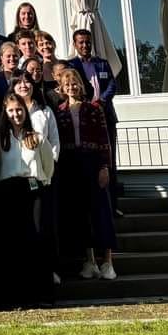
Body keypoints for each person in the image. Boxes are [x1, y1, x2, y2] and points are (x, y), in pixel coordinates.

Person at [54, 68, 117, 281]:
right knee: (81, 214)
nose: (71, 87)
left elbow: (103, 139)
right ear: (61, 88)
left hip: (93, 162)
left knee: (101, 211)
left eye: (74, 83)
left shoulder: (93, 108)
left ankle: (107, 261)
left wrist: (104, 167)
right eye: (67, 84)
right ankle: (89, 261)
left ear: (80, 85)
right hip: (71, 164)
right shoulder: (60, 111)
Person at [0, 93, 55, 308]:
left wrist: (42, 184)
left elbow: (48, 165)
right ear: (5, 112)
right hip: (8, 191)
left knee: (37, 239)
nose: (16, 114)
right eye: (11, 110)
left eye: (19, 109)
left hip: (33, 190)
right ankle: (16, 296)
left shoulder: (37, 137)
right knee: (13, 242)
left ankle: (42, 294)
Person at [66, 29, 119, 211]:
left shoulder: (103, 64)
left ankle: (113, 205)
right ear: (75, 45)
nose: (85, 45)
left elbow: (112, 84)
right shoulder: (70, 65)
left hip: (105, 114)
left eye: (87, 42)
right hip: (82, 115)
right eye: (80, 42)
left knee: (109, 159)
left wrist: (101, 101)